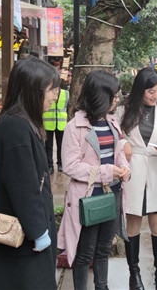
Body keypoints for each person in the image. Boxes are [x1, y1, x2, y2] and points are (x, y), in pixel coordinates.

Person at [0, 57, 60, 290]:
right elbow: (24, 188)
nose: (55, 96)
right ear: (33, 90)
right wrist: (38, 232)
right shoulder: (16, 127)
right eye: (52, 90)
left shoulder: (23, 123)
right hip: (24, 238)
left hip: (28, 234)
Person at [58, 70, 131, 290]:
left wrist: (125, 167)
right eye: (114, 96)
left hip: (112, 194)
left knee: (103, 249)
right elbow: (70, 166)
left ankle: (102, 287)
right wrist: (107, 172)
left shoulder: (111, 121)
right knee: (85, 252)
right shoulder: (74, 127)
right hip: (90, 198)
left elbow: (118, 149)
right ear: (100, 95)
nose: (117, 100)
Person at [119, 67, 157, 290]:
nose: (155, 96)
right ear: (140, 90)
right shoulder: (124, 111)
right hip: (133, 173)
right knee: (133, 225)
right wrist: (122, 143)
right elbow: (117, 136)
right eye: (150, 92)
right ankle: (134, 274)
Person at [43, 82, 69, 174]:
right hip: (48, 123)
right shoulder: (47, 93)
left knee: (61, 145)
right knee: (48, 146)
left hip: (62, 124)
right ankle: (49, 166)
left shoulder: (66, 93)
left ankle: (61, 163)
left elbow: (68, 108)